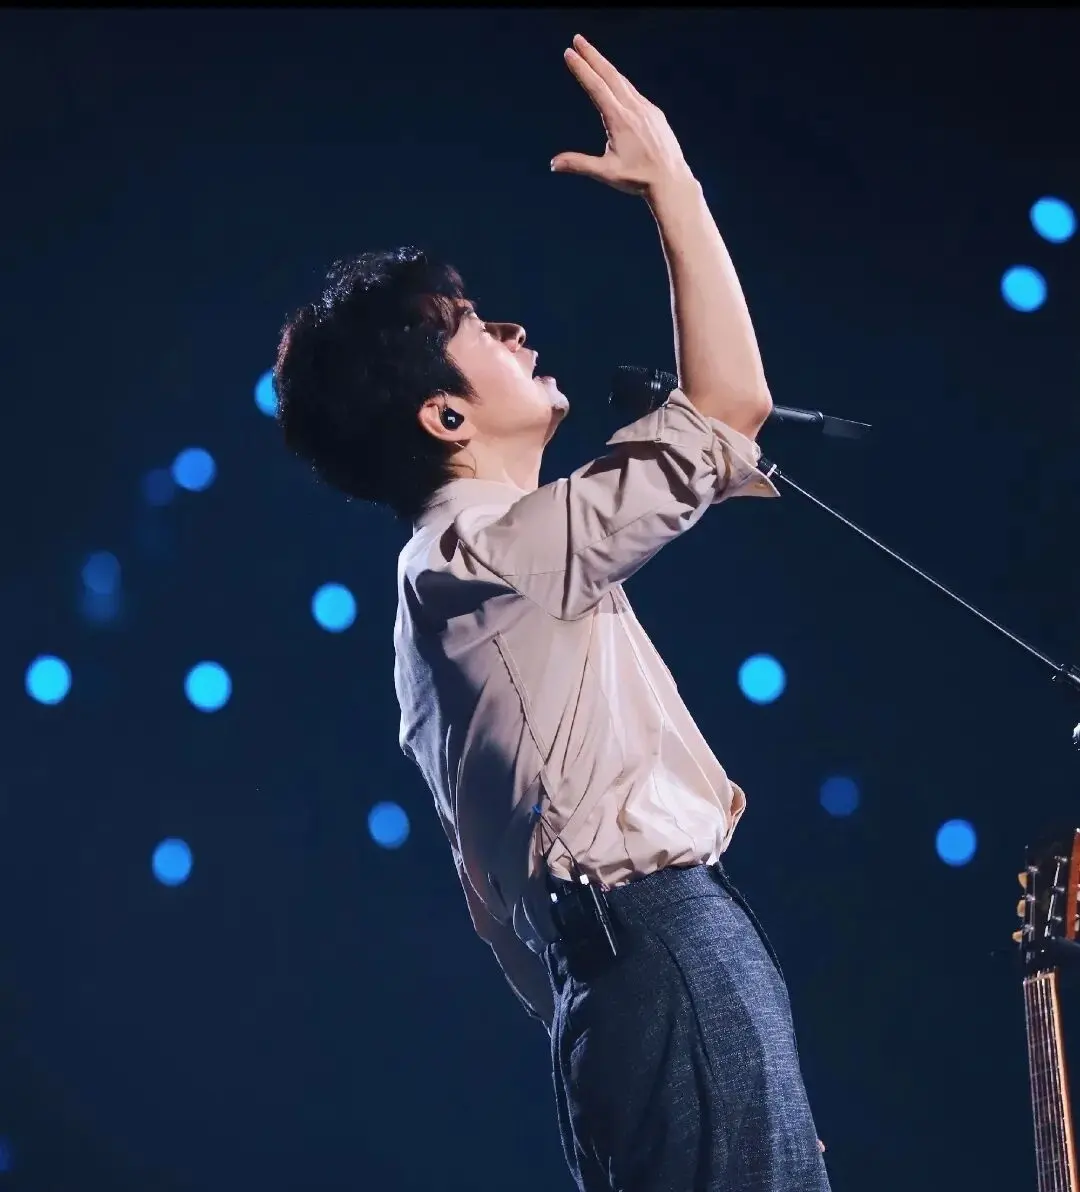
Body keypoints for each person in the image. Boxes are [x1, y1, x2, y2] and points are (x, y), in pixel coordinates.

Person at [274, 32, 830, 1192]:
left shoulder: (439, 592)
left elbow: (494, 912)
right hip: (659, 951)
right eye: (478, 326)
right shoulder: (490, 552)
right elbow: (731, 404)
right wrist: (672, 181)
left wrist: (611, 1001)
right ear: (443, 416)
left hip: (619, 983)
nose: (516, 332)